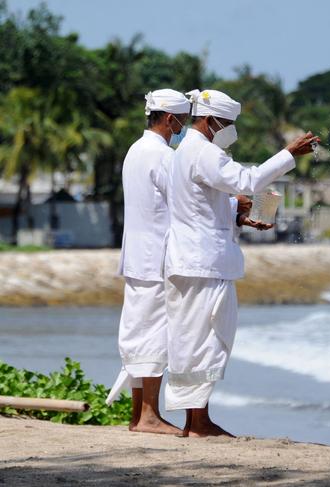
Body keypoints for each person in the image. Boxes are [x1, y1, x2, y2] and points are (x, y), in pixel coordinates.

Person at [164, 88, 318, 437]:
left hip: (192, 258)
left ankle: (195, 420)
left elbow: (201, 205)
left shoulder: (186, 151)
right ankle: (198, 421)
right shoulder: (204, 152)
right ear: (208, 120)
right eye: (227, 123)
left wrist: (237, 214)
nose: (230, 129)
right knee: (208, 339)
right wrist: (289, 153)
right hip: (202, 262)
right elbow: (247, 181)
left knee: (193, 338)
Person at [105, 89, 190, 435]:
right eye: (183, 119)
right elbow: (185, 204)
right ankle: (150, 416)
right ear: (170, 119)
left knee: (139, 332)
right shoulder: (164, 156)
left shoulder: (134, 151)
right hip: (156, 257)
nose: (184, 125)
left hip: (136, 257)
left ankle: (139, 415)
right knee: (155, 335)